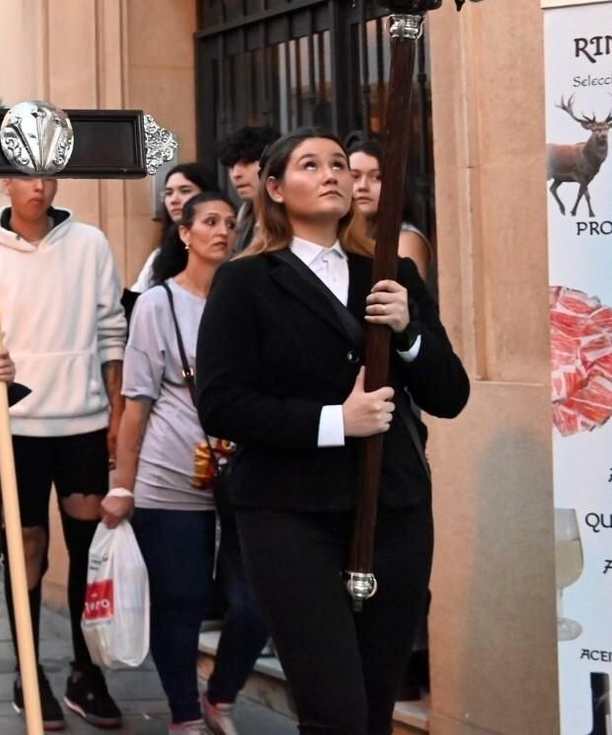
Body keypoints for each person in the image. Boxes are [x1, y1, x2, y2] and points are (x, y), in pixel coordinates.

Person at [195, 129, 469, 734]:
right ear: (274, 188)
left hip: (393, 509)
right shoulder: (247, 280)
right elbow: (220, 403)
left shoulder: (391, 272)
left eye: (340, 165)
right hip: (290, 512)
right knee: (334, 711)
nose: (332, 175)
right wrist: (334, 422)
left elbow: (450, 394)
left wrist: (409, 333)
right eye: (311, 164)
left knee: (374, 710)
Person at [0, 175, 127, 728]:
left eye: (47, 175)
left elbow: (110, 330)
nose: (38, 187)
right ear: (5, 184)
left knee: (87, 548)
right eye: (26, 175)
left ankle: (85, 671)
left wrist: (117, 415)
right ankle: (29, 673)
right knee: (26, 550)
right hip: (15, 428)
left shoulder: (90, 243)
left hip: (83, 421)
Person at [103, 191, 266, 735]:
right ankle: (185, 714)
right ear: (186, 234)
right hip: (169, 476)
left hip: (245, 475)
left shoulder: (248, 297)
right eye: (210, 222)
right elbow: (137, 401)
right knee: (182, 601)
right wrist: (122, 486)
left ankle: (221, 694)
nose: (222, 231)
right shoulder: (159, 304)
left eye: (229, 222)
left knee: (255, 603)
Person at [347, 136, 433, 282]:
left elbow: (409, 301)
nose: (362, 186)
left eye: (377, 177)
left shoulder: (405, 239)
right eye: (354, 176)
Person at [130, 163, 217, 293]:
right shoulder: (159, 256)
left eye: (185, 191)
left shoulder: (224, 245)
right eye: (169, 193)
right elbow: (137, 299)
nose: (174, 200)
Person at [216, 126, 279, 254]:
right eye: (231, 166)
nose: (236, 174)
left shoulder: (290, 220)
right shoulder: (240, 219)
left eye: (246, 163)